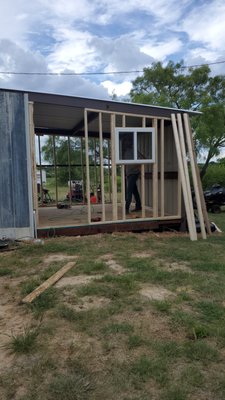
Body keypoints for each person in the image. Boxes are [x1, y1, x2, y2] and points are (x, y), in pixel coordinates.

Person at [123, 135, 141, 214]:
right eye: (125, 141)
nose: (126, 143)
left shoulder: (133, 151)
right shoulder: (126, 152)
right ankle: (138, 206)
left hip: (134, 173)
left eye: (128, 141)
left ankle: (126, 209)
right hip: (130, 174)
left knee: (129, 191)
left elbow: (142, 159)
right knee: (134, 191)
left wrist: (135, 167)